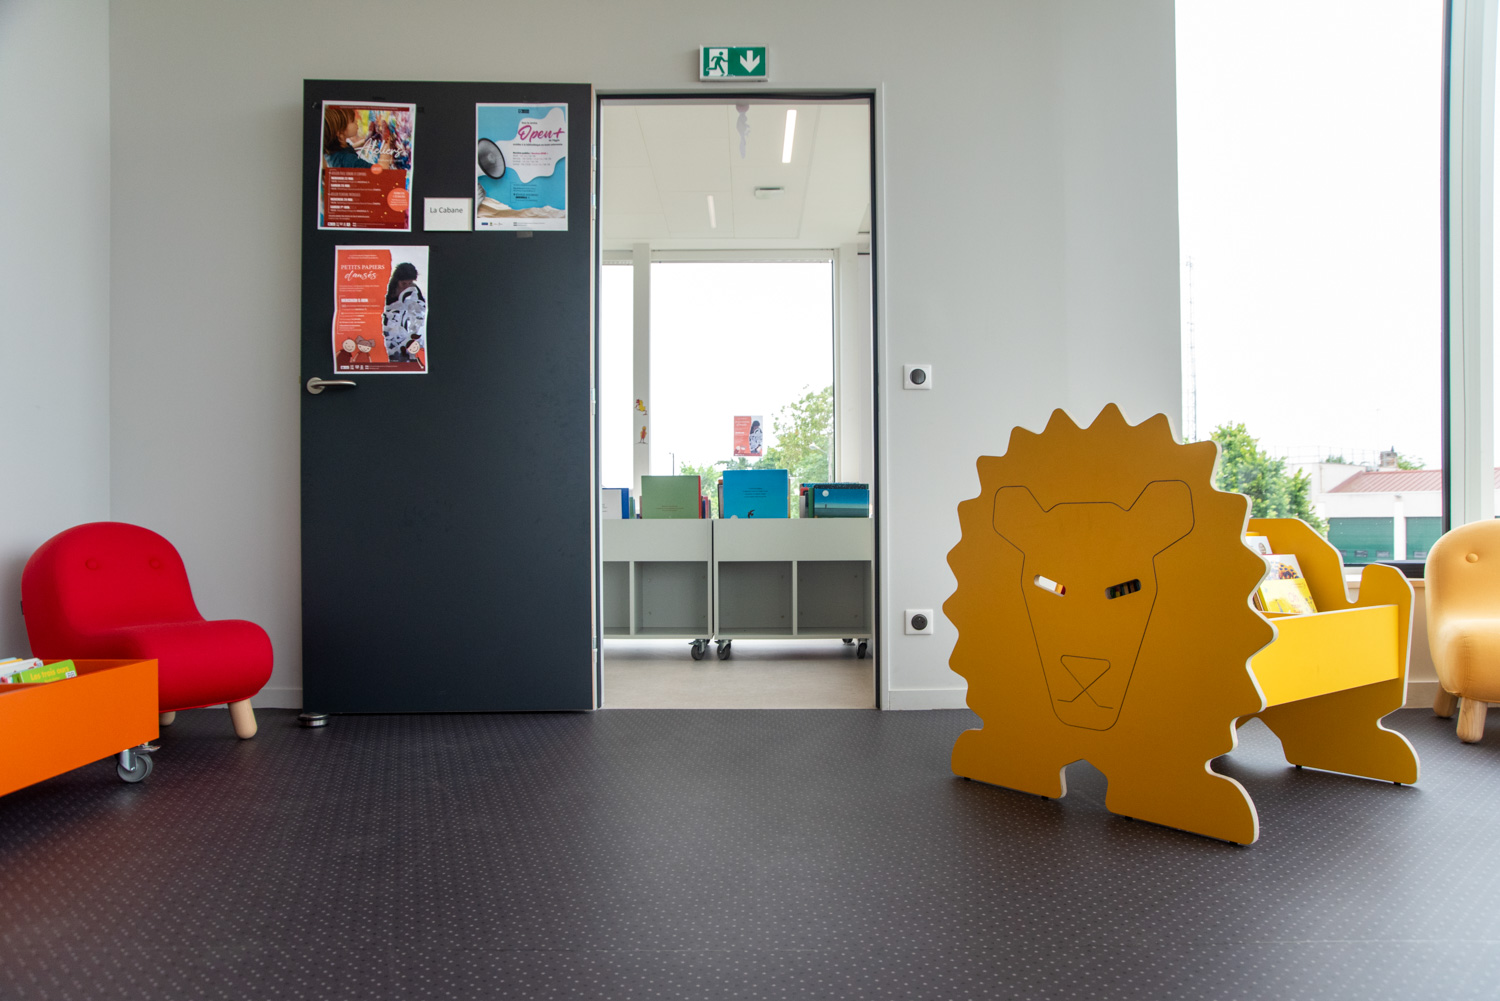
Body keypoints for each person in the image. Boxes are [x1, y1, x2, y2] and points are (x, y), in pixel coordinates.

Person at [382, 262, 427, 365]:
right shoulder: (388, 289)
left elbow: (422, 307)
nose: (407, 286)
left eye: (409, 283)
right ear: (397, 280)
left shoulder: (414, 289)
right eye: (403, 284)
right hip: (387, 323)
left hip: (403, 324)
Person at [322, 106, 392, 169]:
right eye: (352, 121)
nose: (356, 120)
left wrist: (367, 140)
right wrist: (385, 141)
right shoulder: (349, 161)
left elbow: (347, 150)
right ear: (340, 133)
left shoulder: (332, 152)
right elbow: (381, 170)